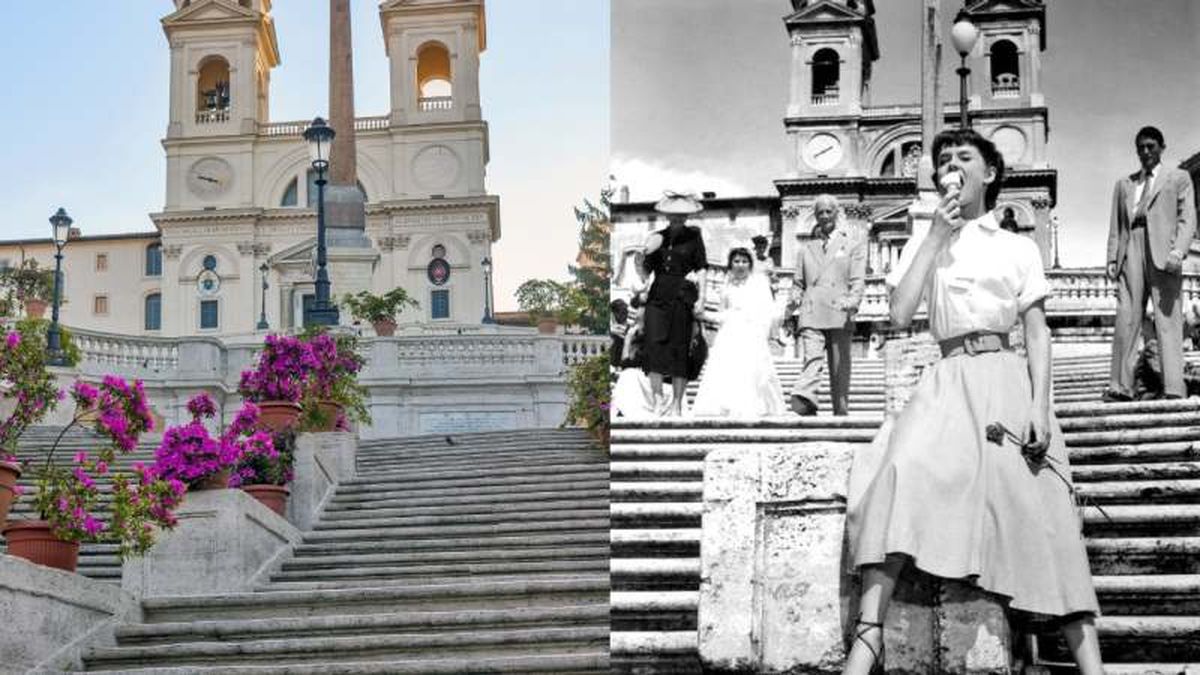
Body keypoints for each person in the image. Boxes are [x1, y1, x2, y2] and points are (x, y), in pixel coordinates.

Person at [844, 128, 1102, 674]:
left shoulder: (1017, 246)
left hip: (1006, 378)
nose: (951, 167)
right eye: (943, 161)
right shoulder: (928, 240)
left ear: (989, 174)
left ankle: (1090, 661)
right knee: (898, 472)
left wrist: (1039, 406)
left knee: (1044, 506)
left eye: (964, 157)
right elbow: (897, 315)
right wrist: (935, 236)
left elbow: (1037, 332)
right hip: (948, 379)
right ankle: (866, 643)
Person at [1103, 126, 1196, 402]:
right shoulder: (1124, 184)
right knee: (1126, 318)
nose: (1145, 152)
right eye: (1141, 147)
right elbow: (1116, 226)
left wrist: (1179, 251)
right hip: (1131, 246)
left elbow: (1187, 218)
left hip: (1164, 253)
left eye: (1151, 146)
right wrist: (1111, 257)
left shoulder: (1178, 177)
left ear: (1161, 148)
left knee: (1167, 319)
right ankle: (1121, 387)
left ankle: (1173, 387)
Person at [788, 194, 866, 416]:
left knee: (839, 367)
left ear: (836, 213)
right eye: (819, 212)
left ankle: (840, 412)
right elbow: (798, 282)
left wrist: (853, 301)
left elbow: (857, 280)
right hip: (811, 309)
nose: (824, 216)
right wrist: (793, 297)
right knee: (811, 357)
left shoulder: (853, 246)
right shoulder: (806, 249)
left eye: (828, 212)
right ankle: (806, 397)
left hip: (840, 309)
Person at [691, 247, 787, 417]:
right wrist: (704, 315)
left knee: (752, 371)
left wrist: (760, 332)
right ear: (730, 264)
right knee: (728, 370)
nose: (740, 265)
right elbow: (724, 314)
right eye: (736, 261)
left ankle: (753, 405)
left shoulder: (759, 283)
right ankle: (727, 405)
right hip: (729, 333)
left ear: (750, 264)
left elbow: (767, 311)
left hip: (752, 333)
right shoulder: (727, 286)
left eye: (744, 261)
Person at [641, 192, 708, 417]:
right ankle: (658, 400)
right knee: (653, 347)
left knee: (680, 349)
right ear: (667, 215)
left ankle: (678, 404)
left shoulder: (694, 237)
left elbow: (702, 268)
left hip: (682, 296)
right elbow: (644, 273)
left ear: (688, 215)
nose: (678, 218)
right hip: (657, 297)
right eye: (674, 214)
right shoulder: (656, 237)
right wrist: (643, 255)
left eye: (682, 215)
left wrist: (703, 297)